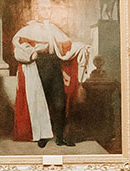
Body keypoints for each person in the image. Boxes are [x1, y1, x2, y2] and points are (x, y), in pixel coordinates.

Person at [10, 14, 89, 147]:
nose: (46, 12)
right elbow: (18, 49)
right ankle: (43, 136)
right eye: (43, 8)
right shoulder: (27, 30)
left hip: (54, 66)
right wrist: (31, 53)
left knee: (60, 102)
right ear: (37, 12)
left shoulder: (53, 28)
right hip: (37, 67)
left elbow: (66, 47)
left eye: (48, 9)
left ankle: (60, 137)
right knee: (41, 102)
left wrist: (81, 47)